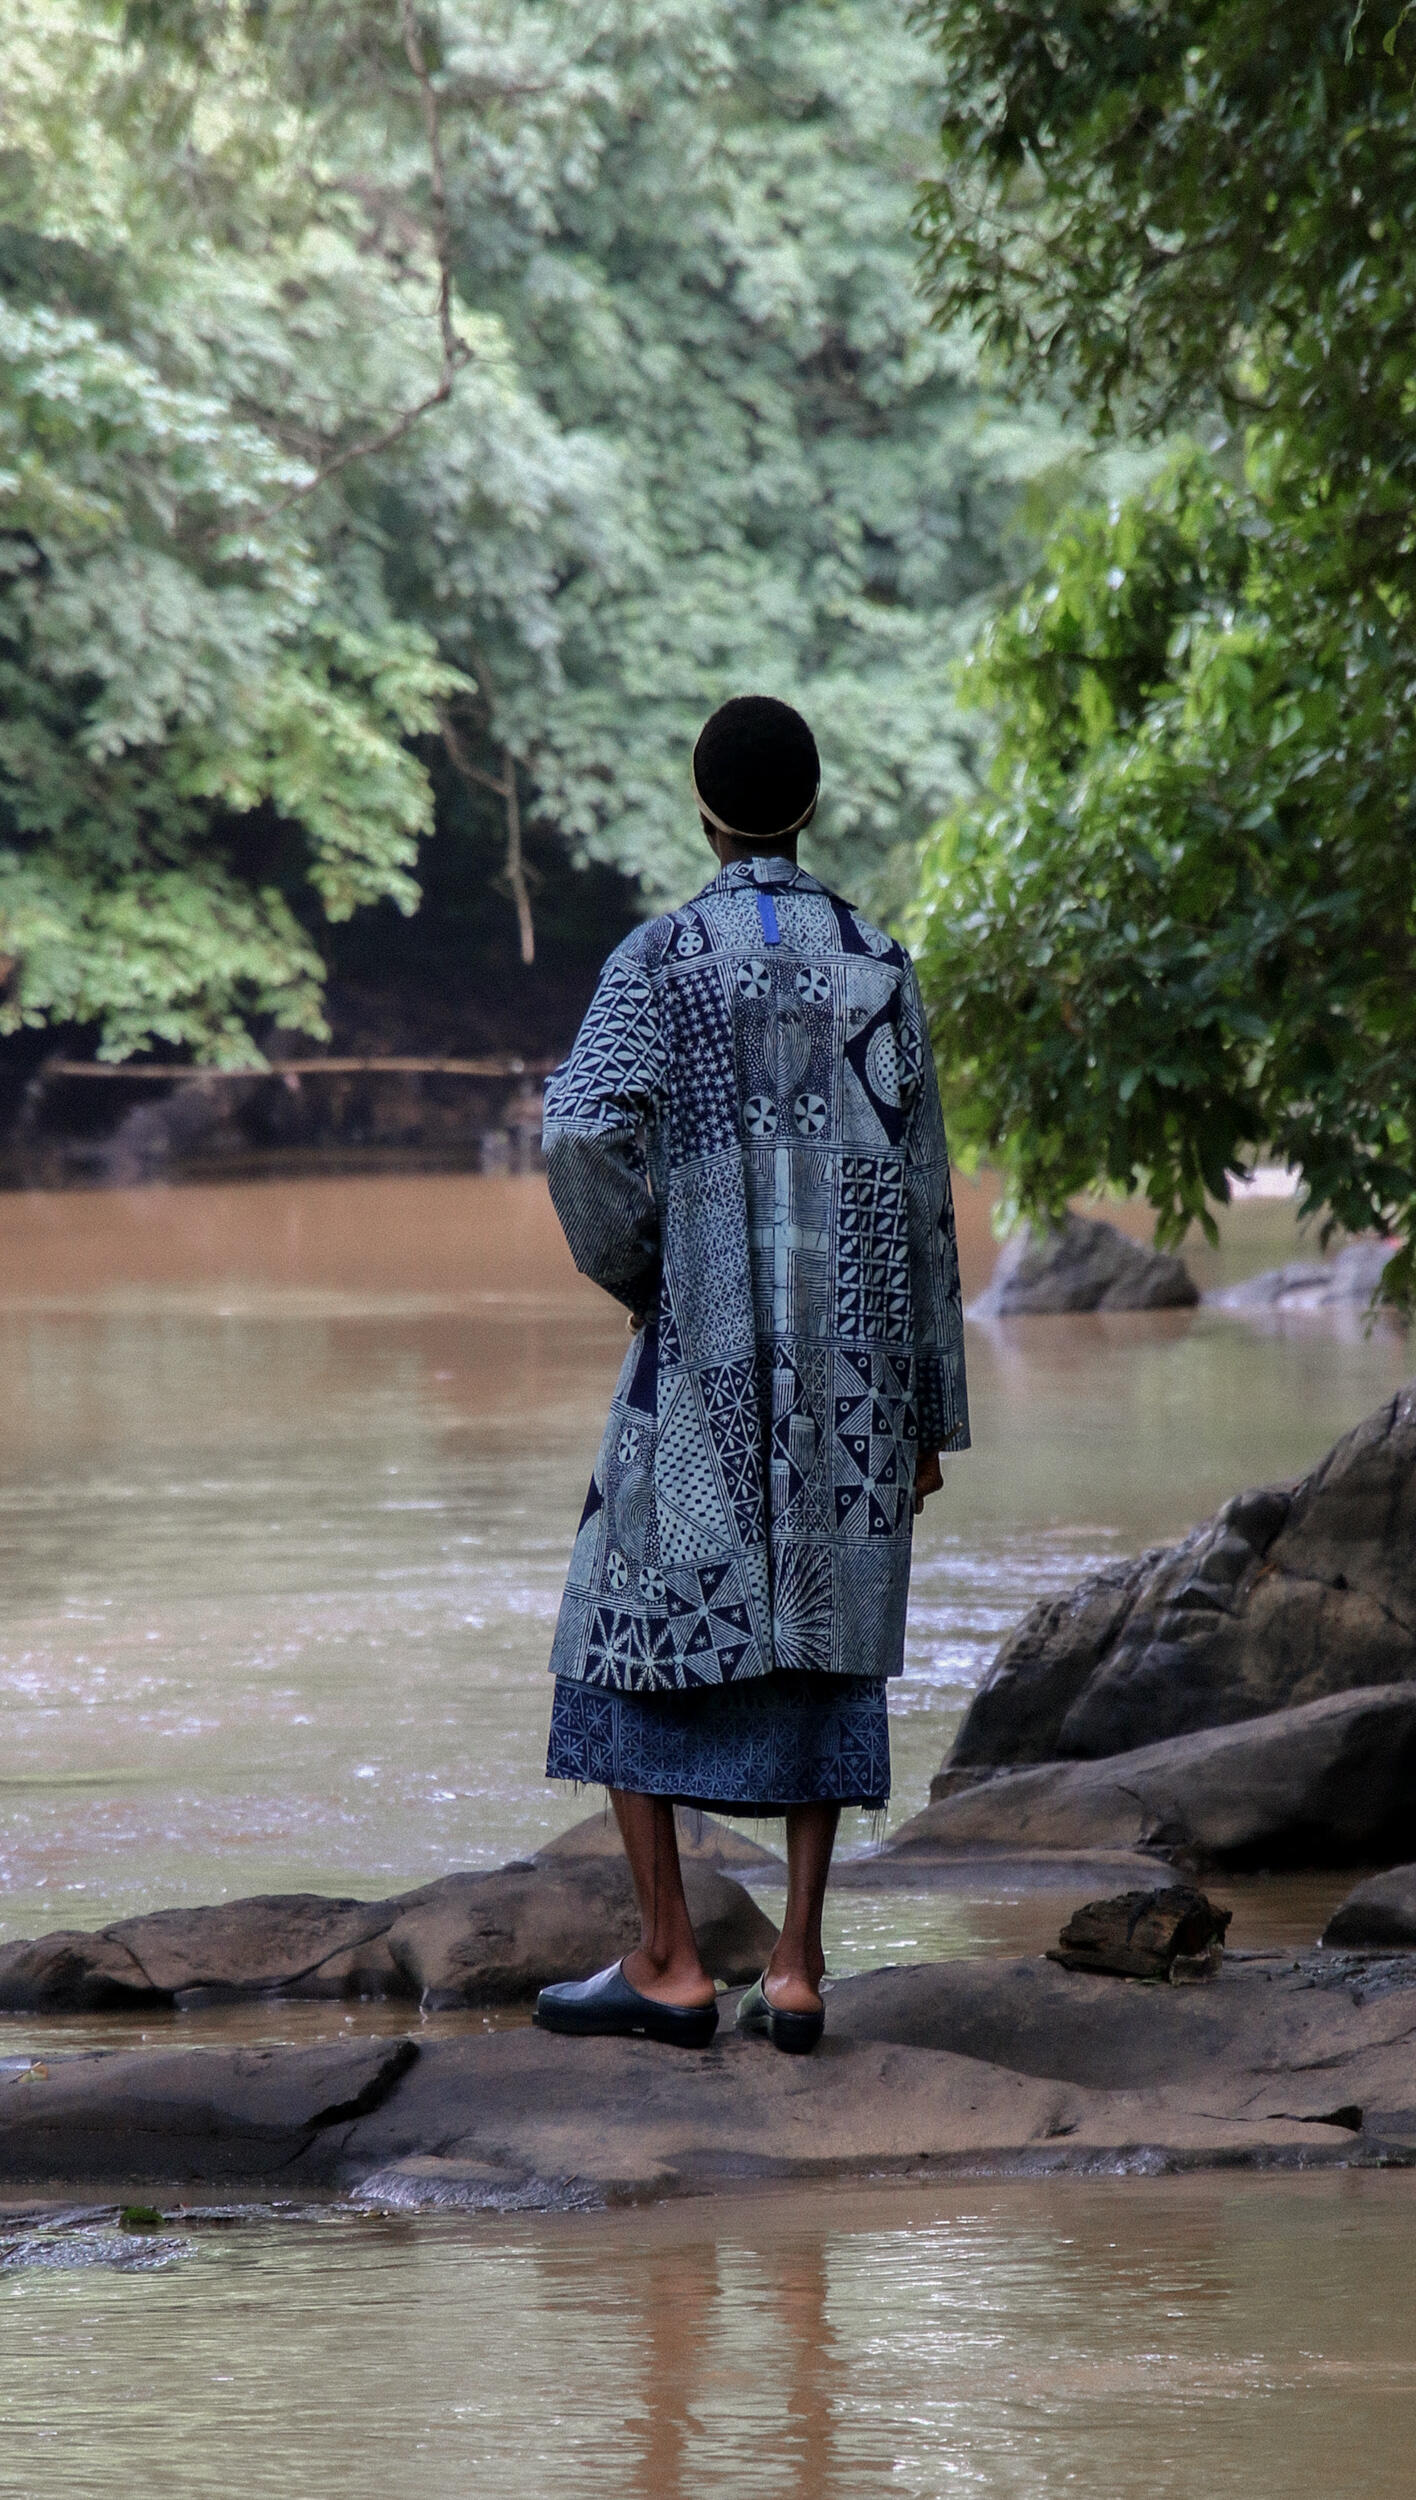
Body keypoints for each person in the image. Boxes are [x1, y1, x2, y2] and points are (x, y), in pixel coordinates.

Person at [532, 694, 969, 2053]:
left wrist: (648, 1273)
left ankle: (666, 1958)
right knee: (826, 1649)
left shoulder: (657, 963)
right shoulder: (880, 963)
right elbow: (924, 1203)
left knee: (617, 1630)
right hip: (854, 1381)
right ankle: (795, 1962)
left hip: (701, 1365)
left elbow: (581, 1136)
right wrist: (929, 1413)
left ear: (704, 811)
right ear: (812, 806)